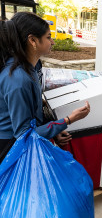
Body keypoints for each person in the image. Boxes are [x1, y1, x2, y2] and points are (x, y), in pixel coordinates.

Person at [0, 12, 90, 163]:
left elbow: (32, 115)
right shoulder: (18, 79)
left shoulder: (29, 69)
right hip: (8, 151)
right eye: (48, 37)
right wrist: (68, 120)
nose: (53, 42)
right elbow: (25, 135)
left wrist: (53, 130)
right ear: (33, 40)